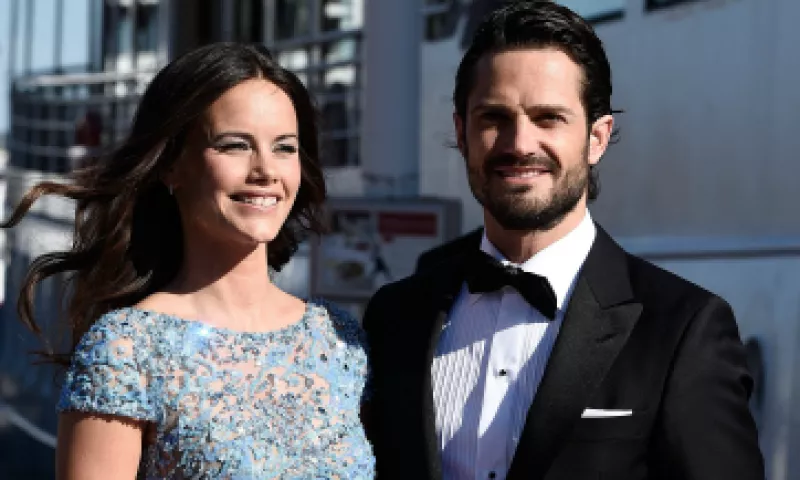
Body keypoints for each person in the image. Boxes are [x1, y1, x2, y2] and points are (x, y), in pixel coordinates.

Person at [361, 3, 764, 479]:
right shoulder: (396, 317)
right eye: (494, 117)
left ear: (596, 138)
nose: (519, 143)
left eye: (548, 117)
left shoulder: (681, 329)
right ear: (461, 133)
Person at [2, 43, 374, 479]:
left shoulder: (338, 340)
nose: (266, 171)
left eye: (284, 148)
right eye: (235, 145)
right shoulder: (126, 350)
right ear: (171, 166)